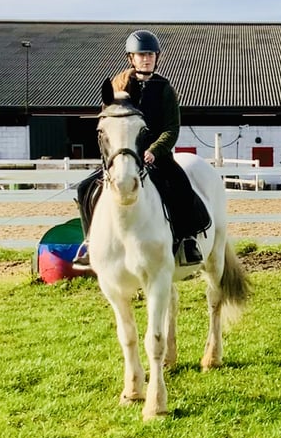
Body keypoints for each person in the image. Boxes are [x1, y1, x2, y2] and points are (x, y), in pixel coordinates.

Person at [73, 29, 207, 268]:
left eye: (150, 54)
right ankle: (90, 242)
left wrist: (155, 150)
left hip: (157, 156)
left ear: (157, 57)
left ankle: (188, 240)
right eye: (141, 54)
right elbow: (107, 123)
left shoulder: (164, 88)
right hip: (125, 155)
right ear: (131, 58)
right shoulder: (117, 85)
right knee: (85, 188)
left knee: (180, 185)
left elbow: (171, 129)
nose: (146, 58)